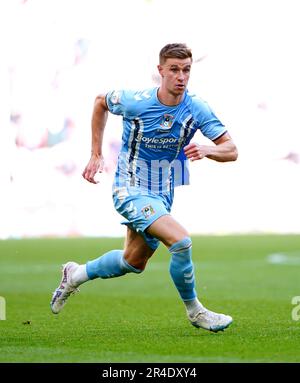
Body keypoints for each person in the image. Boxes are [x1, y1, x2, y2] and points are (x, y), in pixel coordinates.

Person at [50, 43, 238, 332]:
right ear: (160, 70)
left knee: (132, 262)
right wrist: (96, 153)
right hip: (130, 188)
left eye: (186, 70)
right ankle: (195, 312)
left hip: (163, 192)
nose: (181, 76)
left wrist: (206, 149)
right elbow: (101, 101)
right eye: (174, 69)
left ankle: (75, 274)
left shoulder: (197, 108)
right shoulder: (136, 101)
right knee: (181, 242)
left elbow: (231, 149)